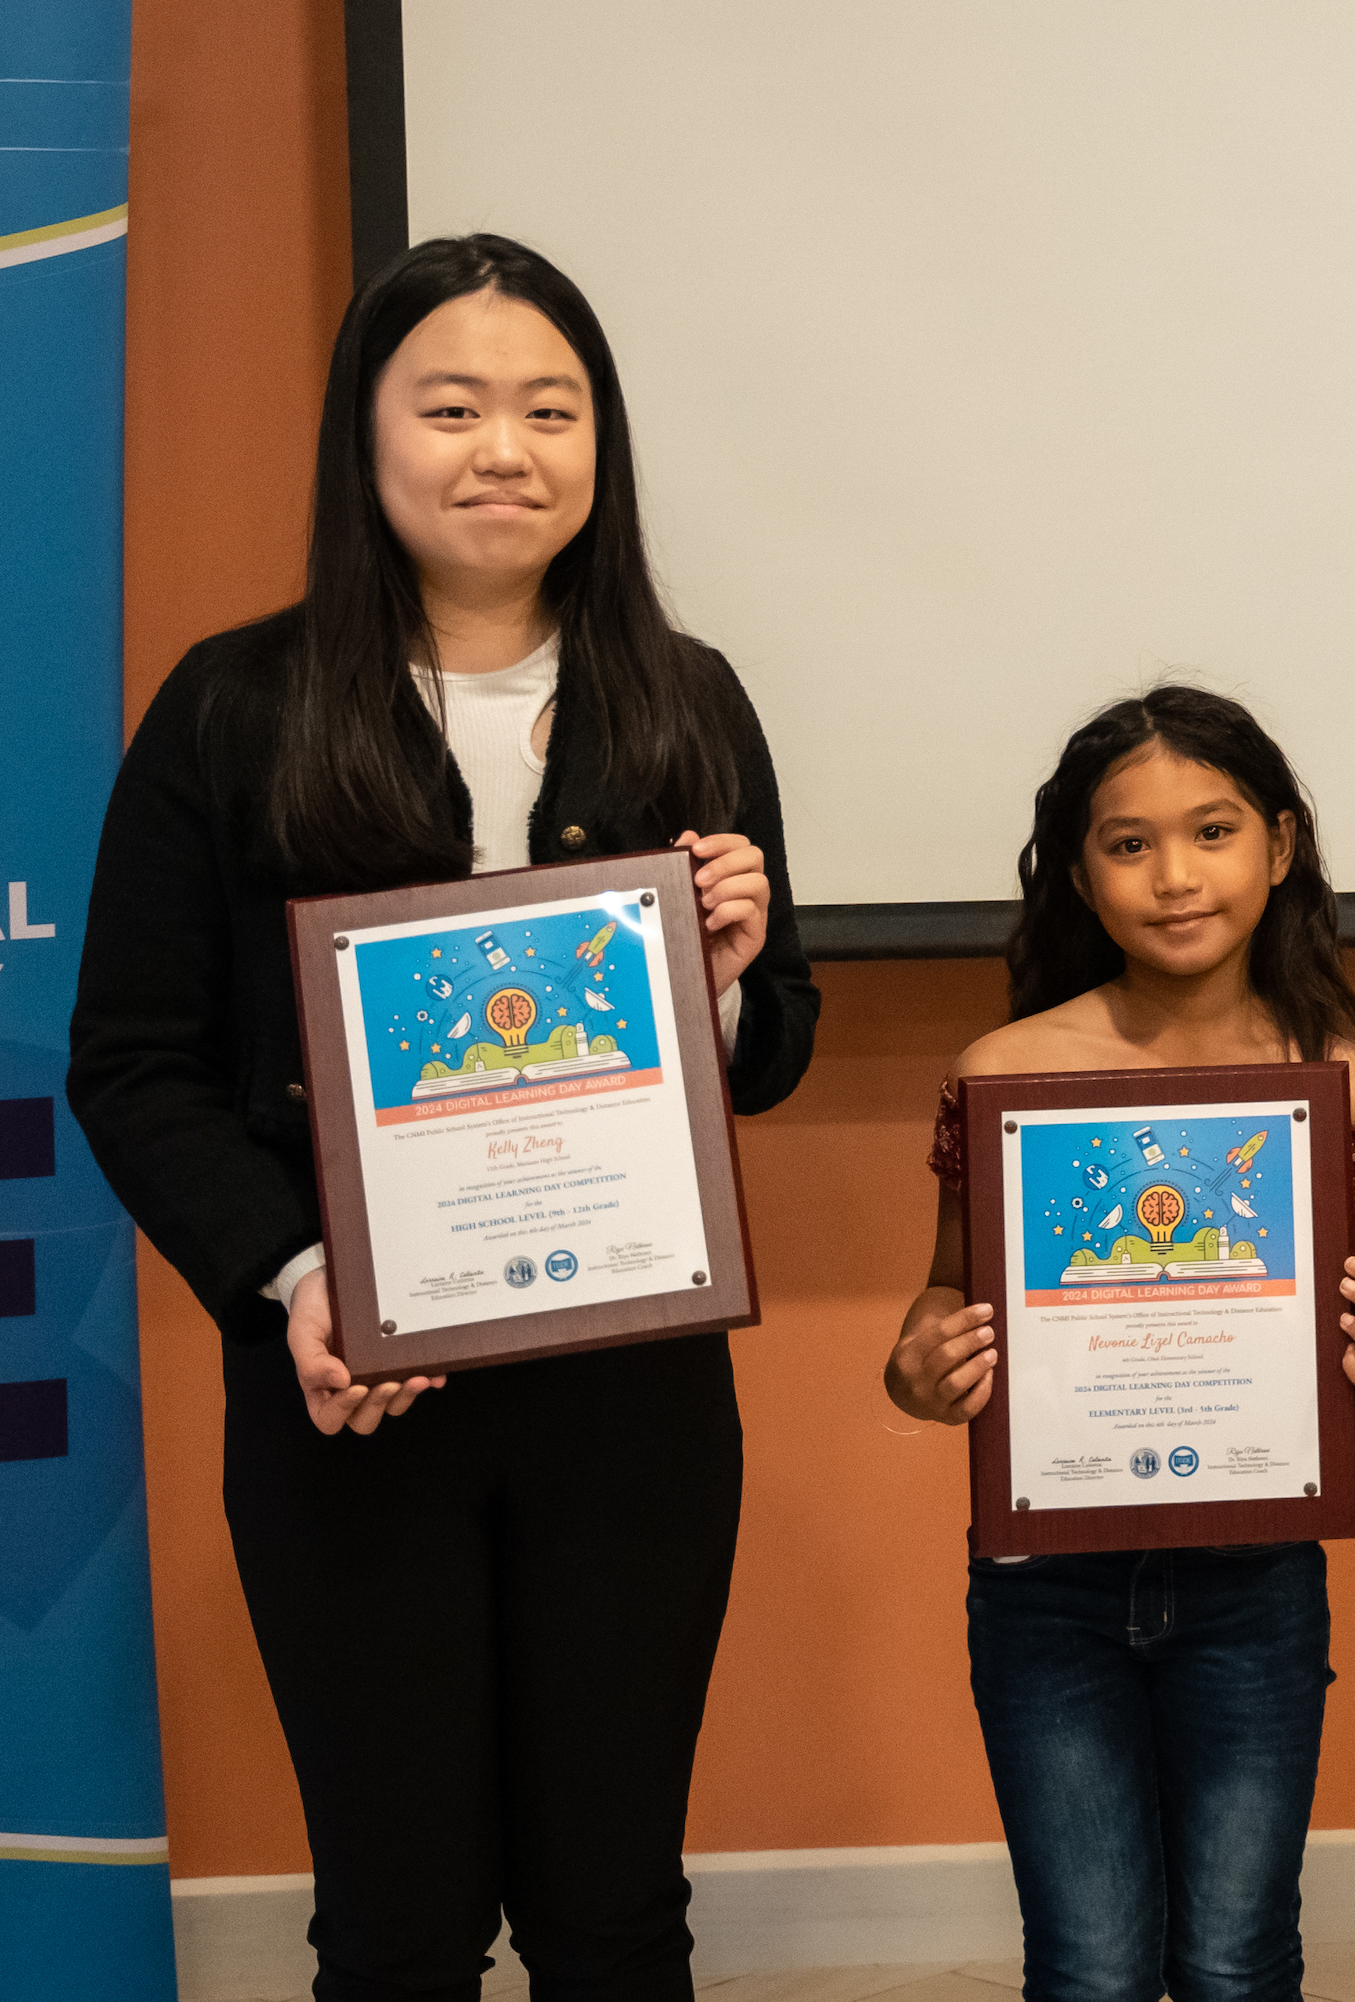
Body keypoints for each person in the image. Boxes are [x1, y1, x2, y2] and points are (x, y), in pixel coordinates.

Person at [68, 233, 820, 2000]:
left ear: (600, 442)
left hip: (629, 1403)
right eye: (454, 406)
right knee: (398, 1925)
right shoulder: (233, 707)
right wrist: (299, 1276)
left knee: (614, 1913)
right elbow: (134, 1062)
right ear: (366, 432)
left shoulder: (687, 698)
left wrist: (719, 979)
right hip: (354, 1394)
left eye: (551, 410)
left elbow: (773, 1044)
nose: (506, 450)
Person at [880, 685, 1355, 2002]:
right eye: (1128, 844)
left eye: (1213, 831)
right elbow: (942, 1299)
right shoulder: (1007, 1072)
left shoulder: (1342, 1086)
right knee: (1089, 1967)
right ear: (1080, 874)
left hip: (1256, 1583)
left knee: (1238, 1960)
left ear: (1280, 845)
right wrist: (918, 1369)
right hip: (1045, 1588)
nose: (1175, 877)